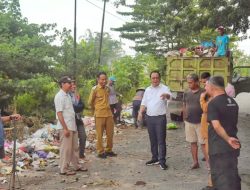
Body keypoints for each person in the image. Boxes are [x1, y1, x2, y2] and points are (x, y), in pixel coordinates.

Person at [205, 76, 241, 190]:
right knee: (232, 176)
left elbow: (216, 125)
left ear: (212, 86)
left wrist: (227, 139)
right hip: (233, 146)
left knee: (222, 180)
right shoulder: (233, 101)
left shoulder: (213, 103)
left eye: (206, 85)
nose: (205, 88)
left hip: (219, 147)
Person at [138, 71, 171, 170]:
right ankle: (155, 158)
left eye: (157, 78)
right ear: (150, 79)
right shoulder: (148, 89)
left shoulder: (165, 88)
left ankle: (162, 161)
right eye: (153, 78)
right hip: (149, 117)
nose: (155, 80)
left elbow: (170, 97)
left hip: (160, 118)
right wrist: (140, 113)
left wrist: (167, 96)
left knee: (161, 140)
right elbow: (144, 102)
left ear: (160, 78)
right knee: (152, 140)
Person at [54, 76, 87, 175]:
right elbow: (59, 114)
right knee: (66, 149)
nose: (70, 85)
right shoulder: (59, 96)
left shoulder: (68, 95)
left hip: (72, 125)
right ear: (63, 84)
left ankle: (76, 165)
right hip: (66, 126)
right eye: (68, 83)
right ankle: (64, 169)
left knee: (74, 148)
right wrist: (65, 128)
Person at [88, 72, 117, 159]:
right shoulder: (95, 89)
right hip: (99, 115)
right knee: (99, 134)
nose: (104, 81)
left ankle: (109, 150)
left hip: (108, 114)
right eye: (102, 79)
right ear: (98, 79)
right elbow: (90, 102)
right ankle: (100, 151)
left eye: (105, 79)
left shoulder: (107, 89)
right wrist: (96, 109)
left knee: (110, 133)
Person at [183, 73, 206, 169]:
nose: (189, 84)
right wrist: (184, 118)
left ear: (197, 82)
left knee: (204, 143)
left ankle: (209, 164)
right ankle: (195, 162)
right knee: (192, 142)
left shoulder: (204, 92)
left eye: (191, 82)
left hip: (201, 122)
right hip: (189, 122)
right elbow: (184, 105)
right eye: (188, 83)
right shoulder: (186, 93)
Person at [200, 72, 213, 190]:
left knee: (213, 159)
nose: (204, 87)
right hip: (206, 131)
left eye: (206, 84)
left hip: (212, 133)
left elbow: (205, 109)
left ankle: (211, 184)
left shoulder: (211, 98)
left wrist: (202, 99)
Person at [70, 80, 87, 160]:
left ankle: (81, 154)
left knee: (83, 136)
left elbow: (82, 105)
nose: (74, 86)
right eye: (72, 85)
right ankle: (73, 157)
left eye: (74, 85)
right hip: (70, 120)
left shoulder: (77, 95)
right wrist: (78, 107)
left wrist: (78, 107)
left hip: (78, 119)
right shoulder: (66, 96)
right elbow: (74, 107)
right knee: (72, 140)